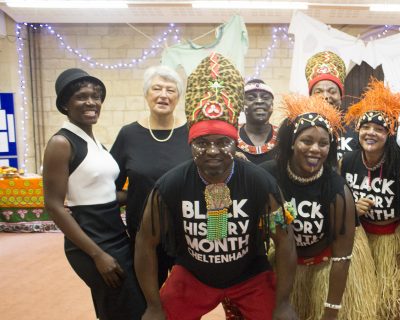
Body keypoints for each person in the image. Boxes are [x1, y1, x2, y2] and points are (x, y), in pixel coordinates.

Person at [134, 53, 298, 320]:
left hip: (250, 277)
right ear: (190, 144)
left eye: (223, 142)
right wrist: (153, 306)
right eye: (203, 142)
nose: (212, 151)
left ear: (236, 143)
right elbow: (144, 242)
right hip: (193, 276)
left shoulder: (260, 182)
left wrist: (283, 303)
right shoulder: (170, 185)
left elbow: (285, 240)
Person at [260, 94, 378, 320]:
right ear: (293, 142)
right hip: (285, 266)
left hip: (323, 269)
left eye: (323, 143)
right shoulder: (268, 176)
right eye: (307, 141)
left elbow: (342, 257)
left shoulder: (337, 189)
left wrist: (331, 312)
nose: (315, 149)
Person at [43, 68, 145, 319]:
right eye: (81, 96)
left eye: (96, 96)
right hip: (91, 240)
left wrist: (146, 191)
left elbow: (106, 193)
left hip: (114, 233)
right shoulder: (61, 143)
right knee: (128, 307)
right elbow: (54, 205)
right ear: (65, 104)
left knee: (117, 308)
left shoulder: (94, 142)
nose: (91, 102)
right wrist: (98, 255)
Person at [341, 79, 400, 319]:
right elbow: (336, 208)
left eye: (379, 128)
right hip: (360, 242)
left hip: (391, 242)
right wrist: (352, 209)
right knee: (361, 308)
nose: (370, 132)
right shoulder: (347, 162)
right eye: (365, 127)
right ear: (358, 130)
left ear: (389, 134)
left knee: (389, 309)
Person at [110, 65, 189, 287]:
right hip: (142, 236)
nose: (163, 95)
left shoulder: (192, 134)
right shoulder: (128, 135)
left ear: (178, 97)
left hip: (187, 236)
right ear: (146, 94)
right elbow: (109, 188)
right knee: (146, 302)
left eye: (170, 90)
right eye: (157, 88)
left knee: (184, 300)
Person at [305, 51, 359, 160]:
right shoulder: (299, 124)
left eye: (332, 91)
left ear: (341, 96)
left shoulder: (356, 125)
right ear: (310, 96)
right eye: (318, 91)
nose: (325, 96)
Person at [237, 78, 278, 164]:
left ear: (272, 105)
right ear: (241, 105)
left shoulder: (284, 136)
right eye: (251, 98)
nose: (259, 101)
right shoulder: (231, 137)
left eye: (265, 98)